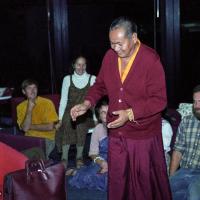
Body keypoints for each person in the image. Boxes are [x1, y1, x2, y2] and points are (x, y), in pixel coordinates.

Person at [71, 16, 171, 200]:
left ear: (133, 38)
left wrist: (131, 113)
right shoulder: (110, 57)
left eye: (119, 44)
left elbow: (160, 100)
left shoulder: (150, 59)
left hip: (143, 135)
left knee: (143, 186)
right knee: (118, 182)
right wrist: (87, 103)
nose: (115, 49)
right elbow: (100, 85)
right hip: (116, 133)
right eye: (111, 44)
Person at [56, 56, 96, 170]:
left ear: (86, 66)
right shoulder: (67, 79)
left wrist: (96, 119)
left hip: (86, 111)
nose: (81, 67)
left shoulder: (92, 78)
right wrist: (60, 119)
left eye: (83, 64)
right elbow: (63, 100)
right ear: (74, 65)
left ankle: (79, 157)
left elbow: (94, 102)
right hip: (70, 109)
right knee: (67, 120)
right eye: (78, 64)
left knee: (80, 122)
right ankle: (64, 158)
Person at [69, 97, 108, 191]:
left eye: (109, 111)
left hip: (119, 160)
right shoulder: (98, 129)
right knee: (89, 177)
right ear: (99, 115)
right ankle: (76, 172)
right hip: (101, 160)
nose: (107, 115)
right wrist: (101, 162)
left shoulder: (122, 127)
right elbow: (93, 153)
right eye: (103, 112)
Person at [169, 85, 200, 200]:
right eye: (195, 102)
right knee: (165, 191)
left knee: (194, 196)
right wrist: (172, 177)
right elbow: (178, 151)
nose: (197, 106)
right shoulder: (186, 121)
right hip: (184, 171)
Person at [17, 79, 58, 158]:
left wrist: (30, 126)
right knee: (19, 156)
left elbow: (50, 127)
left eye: (34, 88)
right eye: (29, 88)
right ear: (24, 92)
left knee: (37, 157)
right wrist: (29, 109)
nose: (33, 91)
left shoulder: (47, 103)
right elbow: (25, 129)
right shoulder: (20, 107)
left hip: (46, 138)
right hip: (29, 138)